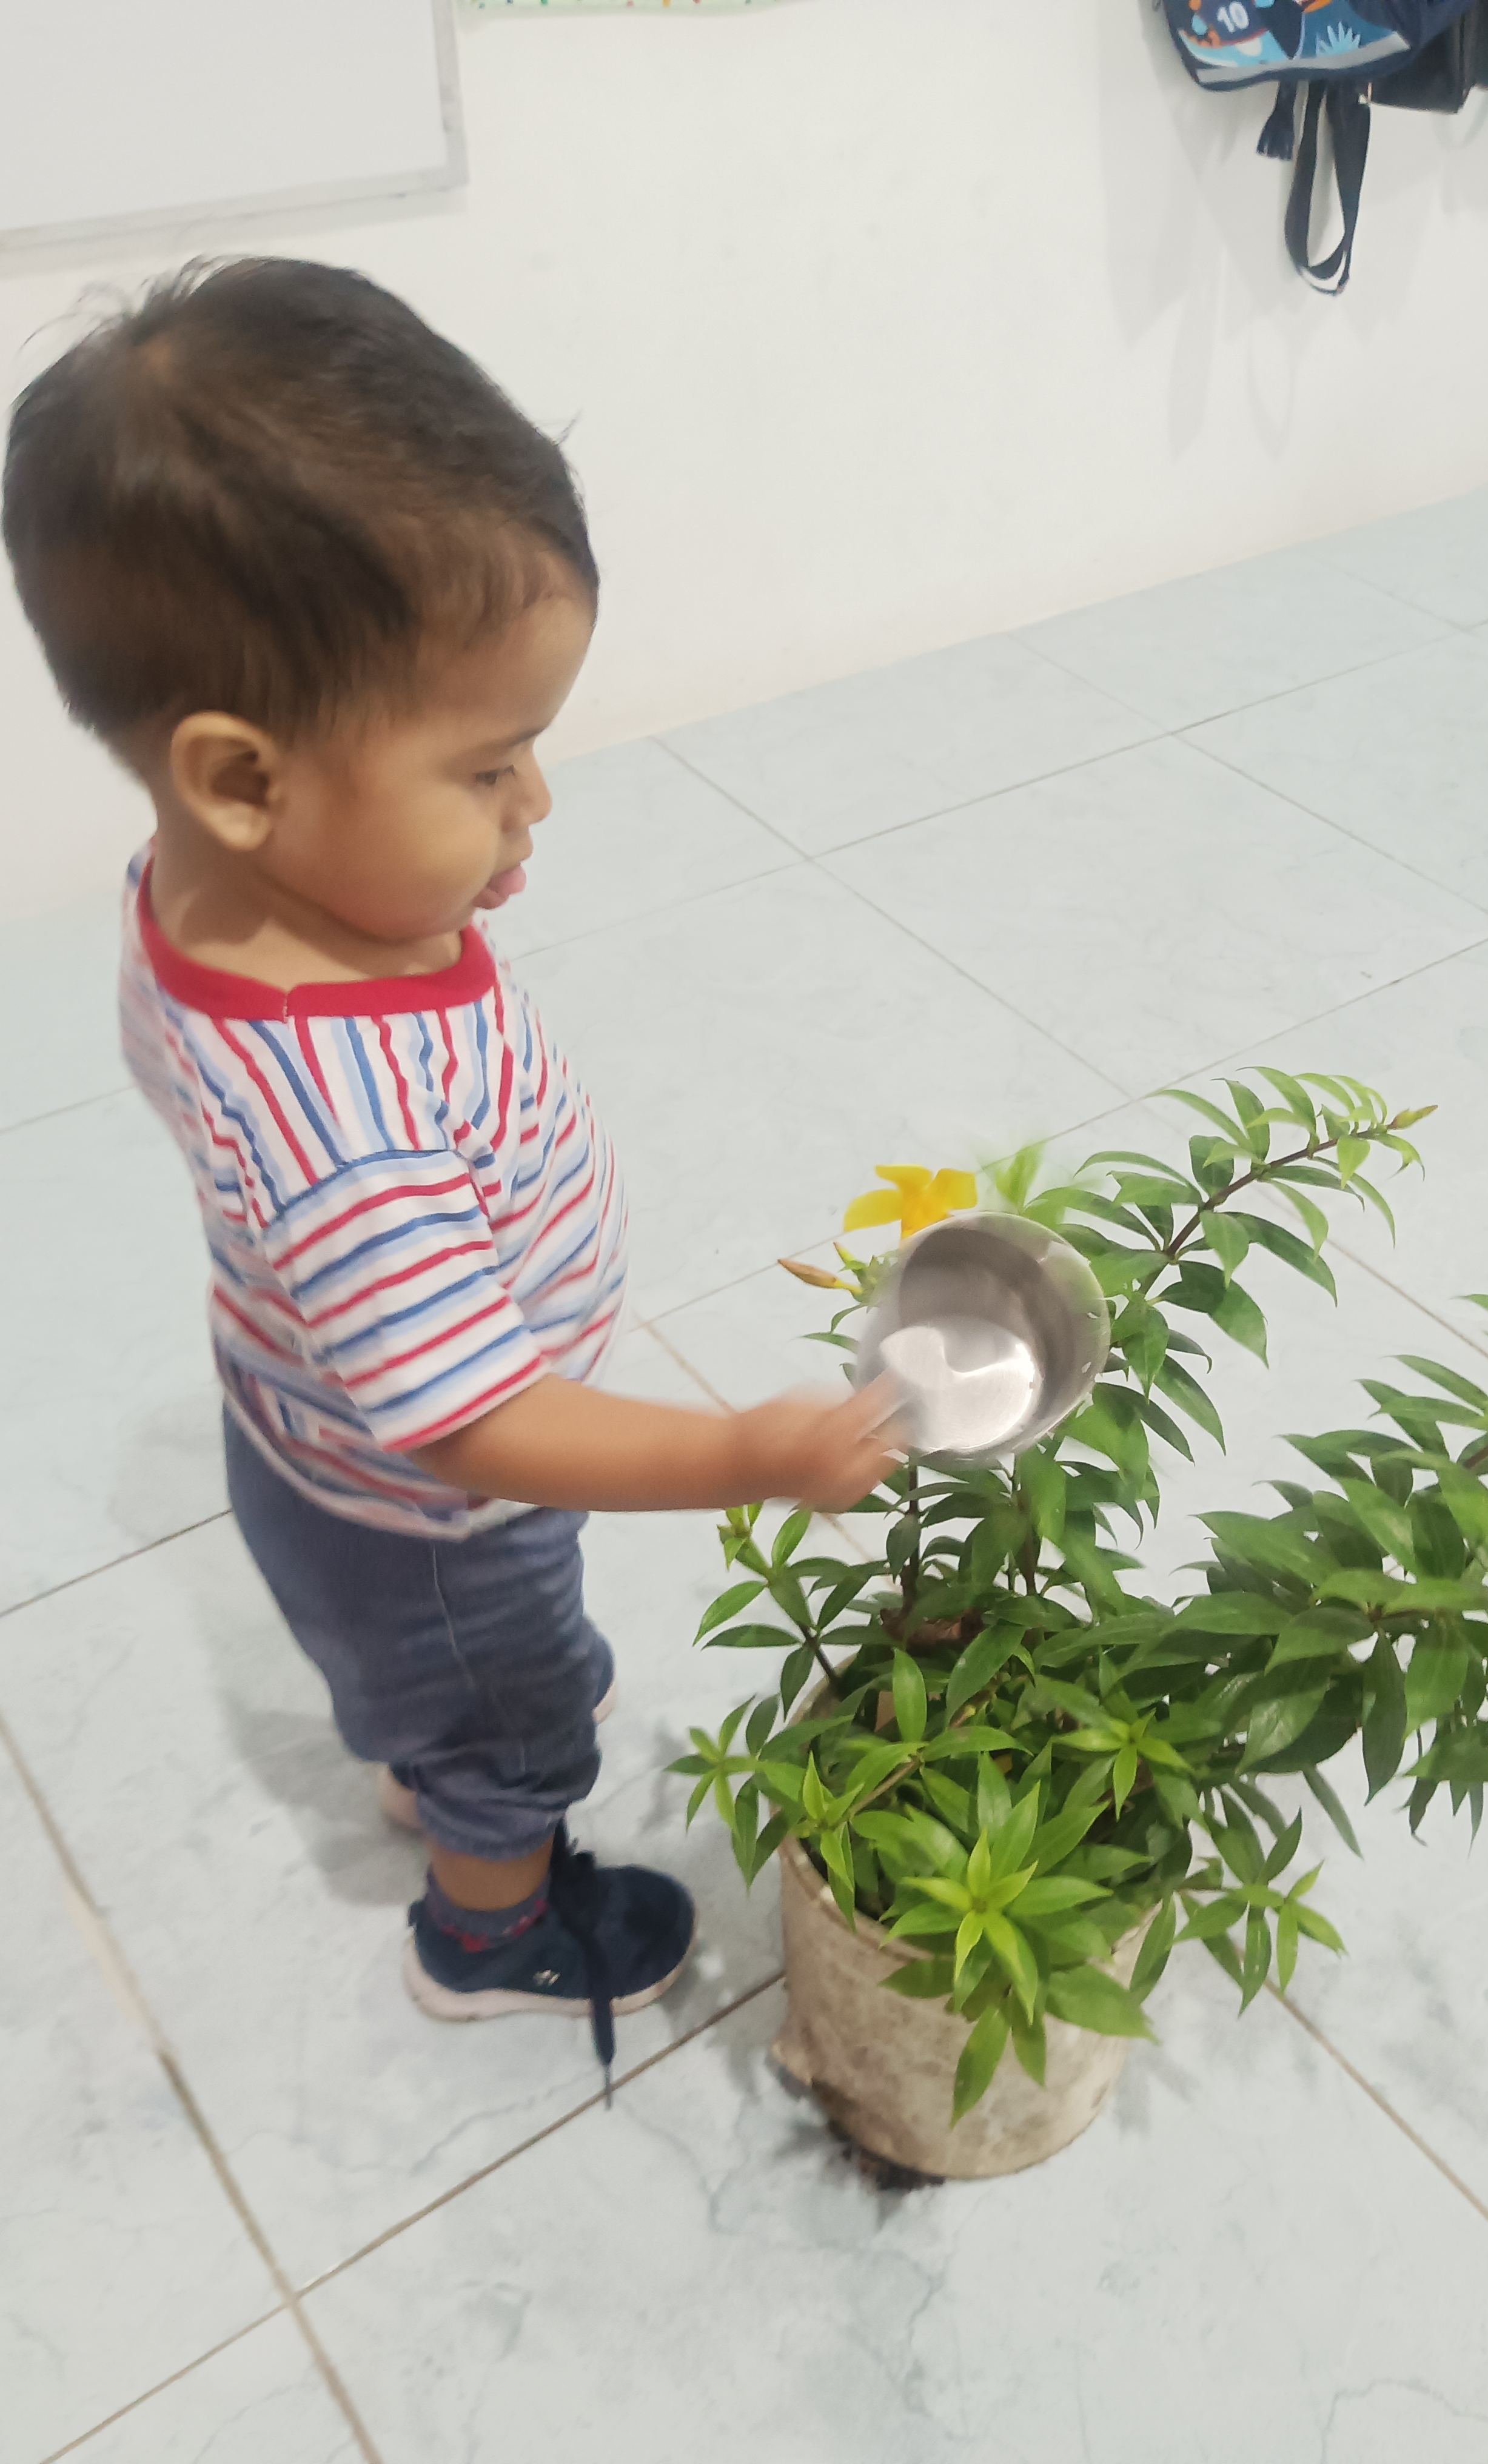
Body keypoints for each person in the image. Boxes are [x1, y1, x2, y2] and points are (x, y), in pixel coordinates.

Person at [2, 258, 899, 2094]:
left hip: (305, 1426)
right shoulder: (345, 1124)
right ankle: (491, 1924)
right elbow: (479, 1423)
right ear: (242, 779)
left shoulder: (209, 896)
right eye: (486, 766)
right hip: (436, 1519)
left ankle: (424, 1738)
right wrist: (748, 1453)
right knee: (520, 1722)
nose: (535, 803)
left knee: (432, 1686)